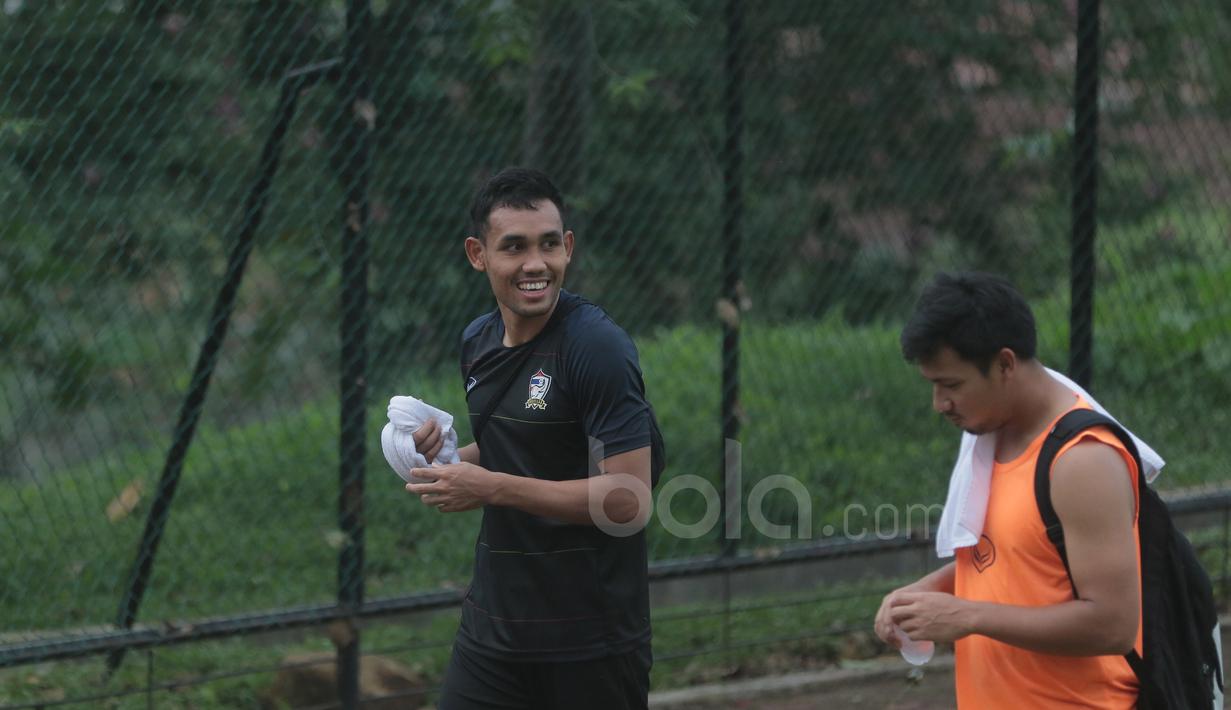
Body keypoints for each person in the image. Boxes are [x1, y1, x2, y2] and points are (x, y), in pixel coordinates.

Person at [406, 167, 663, 710]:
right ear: (478, 254)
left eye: (549, 244)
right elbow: (521, 452)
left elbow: (629, 500)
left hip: (589, 643)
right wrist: (447, 458)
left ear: (568, 246)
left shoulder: (597, 348)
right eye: (514, 247)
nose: (535, 264)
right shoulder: (476, 340)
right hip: (492, 633)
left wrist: (490, 486)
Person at [874, 272, 1143, 708]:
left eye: (952, 385)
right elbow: (1014, 560)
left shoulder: (1082, 461)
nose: (939, 404)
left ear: (1004, 364)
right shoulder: (990, 437)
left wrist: (969, 615)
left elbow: (1113, 625)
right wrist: (928, 592)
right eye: (934, 385)